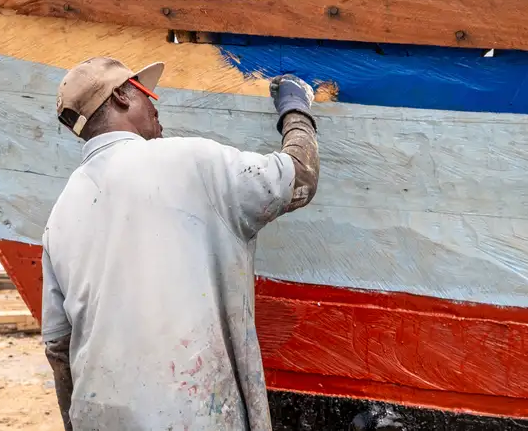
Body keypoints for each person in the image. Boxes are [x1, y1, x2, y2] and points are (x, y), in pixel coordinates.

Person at [42, 56, 320, 430]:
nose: (155, 105)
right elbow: (298, 177)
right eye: (146, 93)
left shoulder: (59, 215)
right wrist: (295, 108)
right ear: (123, 96)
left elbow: (59, 347)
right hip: (190, 415)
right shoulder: (189, 160)